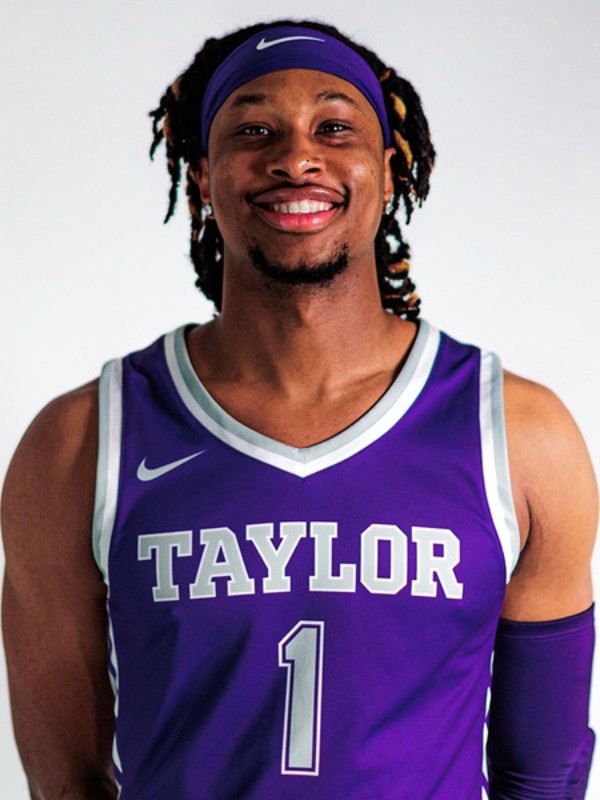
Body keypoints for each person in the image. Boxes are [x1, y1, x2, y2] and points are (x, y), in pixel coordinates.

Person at [1, 18, 597, 800]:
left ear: (389, 171)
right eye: (253, 131)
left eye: (334, 128)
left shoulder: (519, 436)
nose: (296, 158)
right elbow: (66, 783)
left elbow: (544, 776)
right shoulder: (82, 442)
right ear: (202, 176)